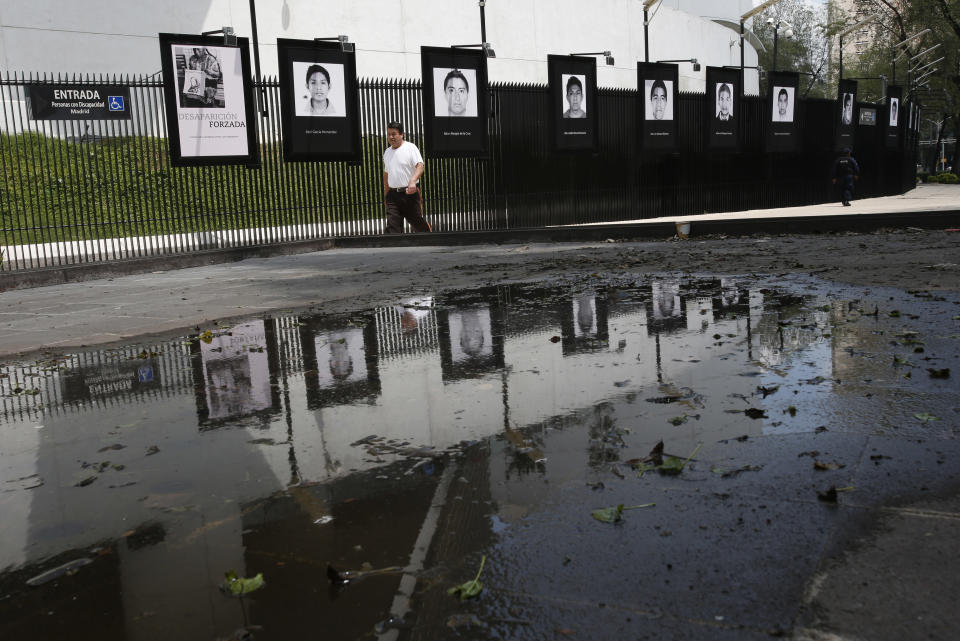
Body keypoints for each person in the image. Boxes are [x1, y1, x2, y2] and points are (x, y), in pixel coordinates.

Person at [382, 121, 431, 233]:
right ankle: (395, 248)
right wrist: (386, 194)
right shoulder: (387, 152)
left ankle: (429, 241)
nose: (391, 137)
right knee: (392, 226)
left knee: (417, 222)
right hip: (393, 195)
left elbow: (420, 166)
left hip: (409, 193)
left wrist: (413, 181)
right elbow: (387, 174)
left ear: (401, 134)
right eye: (389, 134)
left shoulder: (410, 147)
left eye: (394, 134)